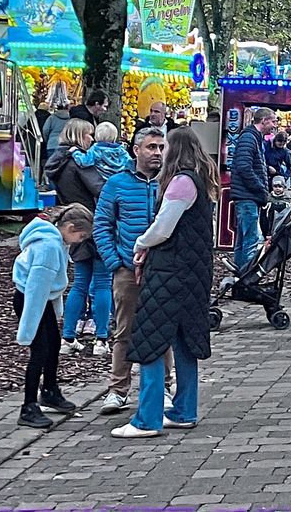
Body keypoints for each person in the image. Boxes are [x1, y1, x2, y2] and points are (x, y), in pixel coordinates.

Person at [112, 127, 218, 438]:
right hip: (193, 273)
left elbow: (163, 227)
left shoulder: (181, 182)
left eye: (164, 146)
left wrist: (140, 243)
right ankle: (184, 410)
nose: (160, 152)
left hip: (171, 272)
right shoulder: (198, 179)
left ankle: (147, 418)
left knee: (150, 342)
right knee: (185, 342)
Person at [94, 127, 173, 415]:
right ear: (136, 150)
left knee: (162, 328)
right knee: (124, 329)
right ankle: (118, 389)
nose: (157, 153)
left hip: (163, 269)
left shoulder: (170, 183)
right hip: (127, 268)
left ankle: (163, 386)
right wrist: (115, 262)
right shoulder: (117, 183)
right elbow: (102, 224)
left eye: (161, 147)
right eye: (151, 147)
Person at [12, 203, 93, 428]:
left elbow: (50, 285)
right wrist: (28, 330)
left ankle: (49, 390)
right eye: (81, 235)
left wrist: (55, 311)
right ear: (69, 227)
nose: (81, 241)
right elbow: (37, 288)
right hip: (31, 300)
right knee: (39, 351)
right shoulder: (49, 247)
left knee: (54, 344)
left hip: (41, 300)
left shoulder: (58, 242)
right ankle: (28, 407)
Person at [43, 119, 111, 356]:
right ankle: (102, 339)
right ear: (78, 136)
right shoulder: (81, 162)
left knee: (79, 283)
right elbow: (101, 188)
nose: (91, 140)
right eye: (88, 135)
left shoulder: (56, 163)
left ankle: (68, 336)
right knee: (102, 282)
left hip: (72, 224)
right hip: (94, 223)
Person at [230, 107, 275, 274]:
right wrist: (261, 188)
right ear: (263, 120)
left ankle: (240, 273)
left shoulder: (253, 138)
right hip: (247, 196)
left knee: (243, 239)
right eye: (273, 121)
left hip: (247, 196)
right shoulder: (249, 138)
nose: (274, 125)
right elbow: (244, 167)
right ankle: (247, 275)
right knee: (250, 239)